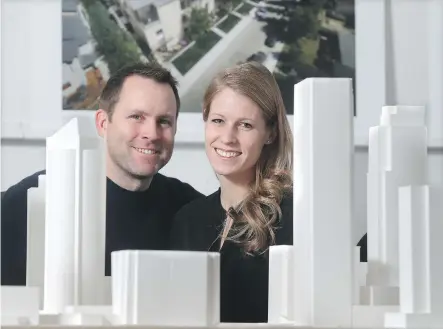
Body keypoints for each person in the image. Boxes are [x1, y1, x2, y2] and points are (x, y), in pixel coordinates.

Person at [1, 62, 204, 286]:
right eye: (137, 117)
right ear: (102, 123)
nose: (151, 133)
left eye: (164, 121)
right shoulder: (30, 201)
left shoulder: (191, 210)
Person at [170, 61, 293, 323]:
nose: (227, 137)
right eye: (218, 120)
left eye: (245, 125)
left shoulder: (293, 216)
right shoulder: (187, 220)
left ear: (270, 133)